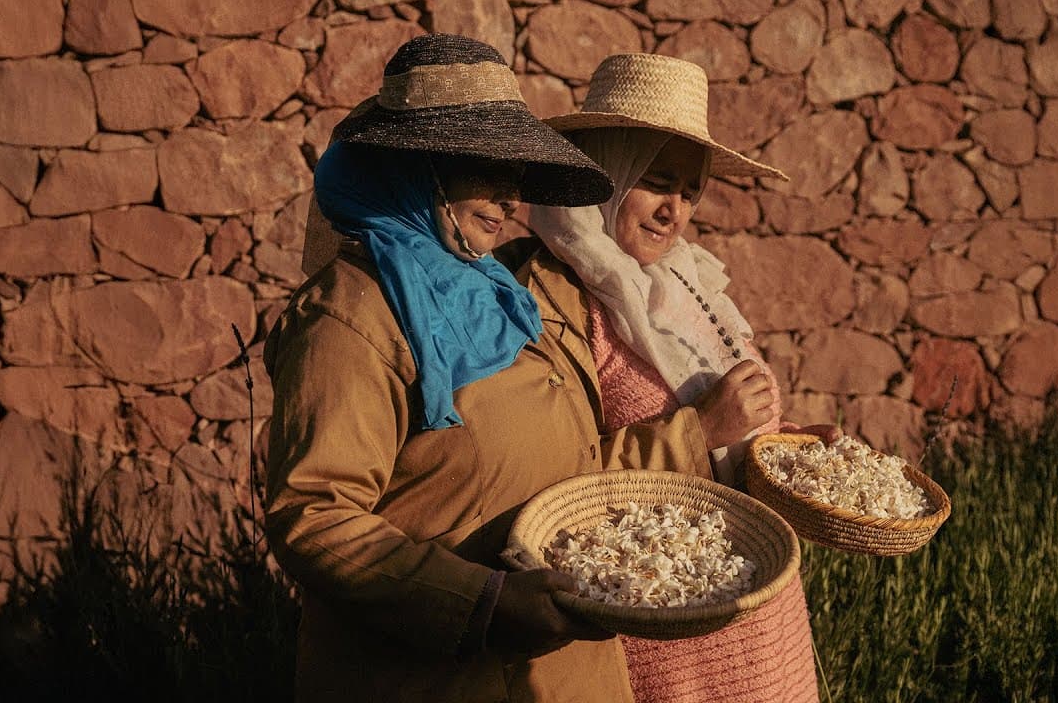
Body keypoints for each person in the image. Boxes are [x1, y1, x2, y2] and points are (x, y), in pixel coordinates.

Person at [264, 35, 726, 703]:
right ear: (419, 164)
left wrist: (694, 441)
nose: (512, 197)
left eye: (514, 171)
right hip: (444, 678)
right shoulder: (352, 314)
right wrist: (484, 601)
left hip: (565, 675)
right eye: (484, 165)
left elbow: (569, 471)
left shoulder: (500, 294)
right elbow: (315, 512)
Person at [522, 53, 834, 703]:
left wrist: (789, 454)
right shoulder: (553, 304)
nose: (675, 211)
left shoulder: (687, 287)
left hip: (758, 618)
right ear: (606, 174)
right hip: (664, 634)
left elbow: (736, 440)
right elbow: (544, 483)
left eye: (689, 192)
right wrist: (701, 430)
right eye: (657, 181)